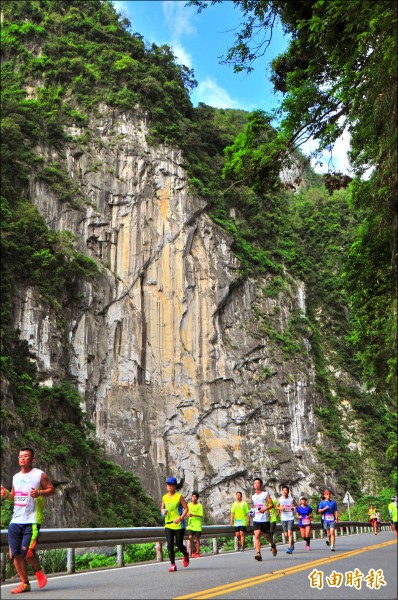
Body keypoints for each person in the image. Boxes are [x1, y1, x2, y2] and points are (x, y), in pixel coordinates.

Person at [0, 447, 54, 594]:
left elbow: (51, 489)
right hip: (15, 521)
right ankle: (25, 584)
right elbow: (15, 497)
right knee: (15, 554)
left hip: (31, 520)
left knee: (28, 552)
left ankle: (38, 571)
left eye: (26, 456)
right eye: (20, 456)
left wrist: (40, 492)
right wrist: (6, 495)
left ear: (33, 460)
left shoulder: (39, 475)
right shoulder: (16, 477)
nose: (22, 458)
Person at [161, 477, 190, 572]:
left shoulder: (179, 496)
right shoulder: (164, 497)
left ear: (174, 486)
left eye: (170, 484)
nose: (168, 486)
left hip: (178, 525)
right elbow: (162, 509)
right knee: (170, 545)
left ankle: (185, 554)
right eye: (167, 484)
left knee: (178, 543)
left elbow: (186, 508)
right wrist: (163, 512)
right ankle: (173, 564)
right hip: (168, 524)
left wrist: (180, 518)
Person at [250, 477, 277, 561]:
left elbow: (272, 505)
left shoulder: (265, 494)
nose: (256, 484)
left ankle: (272, 545)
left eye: (258, 483)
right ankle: (258, 553)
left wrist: (264, 509)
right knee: (257, 535)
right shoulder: (253, 496)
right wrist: (251, 512)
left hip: (264, 519)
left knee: (266, 536)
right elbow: (254, 507)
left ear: (260, 484)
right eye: (255, 483)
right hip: (256, 519)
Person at [277, 485, 298, 554]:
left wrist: (293, 508)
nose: (285, 492)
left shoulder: (291, 499)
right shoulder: (280, 499)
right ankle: (292, 543)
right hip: (283, 518)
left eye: (286, 490)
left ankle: (289, 548)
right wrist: (281, 508)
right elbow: (276, 507)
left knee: (290, 533)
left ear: (288, 492)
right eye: (283, 490)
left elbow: (296, 506)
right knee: (286, 534)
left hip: (290, 518)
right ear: (282, 491)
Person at [186, 491, 204, 558]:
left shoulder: (199, 505)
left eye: (195, 497)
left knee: (197, 539)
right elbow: (186, 511)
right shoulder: (189, 505)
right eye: (192, 496)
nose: (193, 498)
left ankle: (197, 552)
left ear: (197, 498)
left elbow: (201, 515)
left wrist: (193, 514)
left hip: (197, 524)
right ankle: (193, 550)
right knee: (190, 537)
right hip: (190, 524)